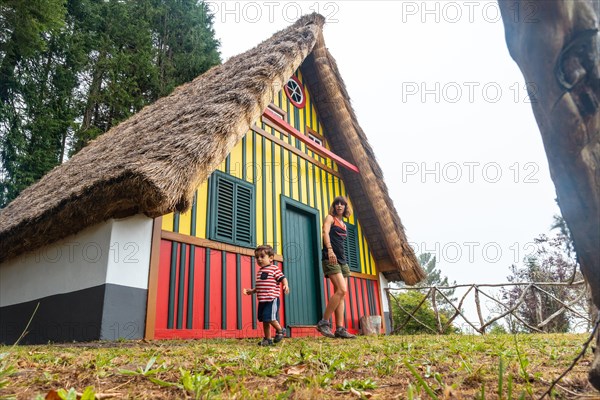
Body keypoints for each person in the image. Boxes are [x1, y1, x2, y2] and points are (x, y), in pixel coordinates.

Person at [316, 196, 356, 339]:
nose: (339, 206)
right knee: (342, 290)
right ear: (334, 206)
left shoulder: (344, 224)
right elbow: (325, 233)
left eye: (342, 204)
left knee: (342, 295)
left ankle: (340, 329)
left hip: (342, 260)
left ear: (345, 207)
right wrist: (330, 249)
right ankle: (324, 322)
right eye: (337, 204)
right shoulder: (330, 218)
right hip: (330, 256)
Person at [243, 244, 289, 346]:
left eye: (262, 256)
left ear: (271, 258)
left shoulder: (274, 269)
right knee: (265, 320)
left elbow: (282, 278)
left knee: (270, 318)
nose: (259, 259)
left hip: (271, 299)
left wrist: (285, 285)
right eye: (257, 257)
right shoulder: (260, 271)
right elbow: (260, 286)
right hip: (262, 300)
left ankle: (280, 330)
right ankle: (268, 339)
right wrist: (252, 291)